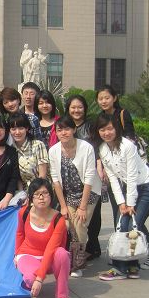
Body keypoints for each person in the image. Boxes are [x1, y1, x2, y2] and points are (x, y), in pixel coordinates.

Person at [95, 114, 149, 278]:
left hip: (147, 188)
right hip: (128, 190)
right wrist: (121, 203)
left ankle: (120, 268)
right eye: (102, 129)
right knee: (122, 224)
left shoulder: (127, 146)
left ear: (117, 128)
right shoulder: (102, 149)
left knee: (132, 225)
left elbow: (131, 177)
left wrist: (130, 203)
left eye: (109, 128)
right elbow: (112, 178)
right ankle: (131, 266)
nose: (106, 133)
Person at [49, 116, 102, 278]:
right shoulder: (54, 150)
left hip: (89, 192)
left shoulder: (86, 147)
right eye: (60, 130)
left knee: (79, 224)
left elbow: (90, 177)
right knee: (68, 224)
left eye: (67, 129)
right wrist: (63, 206)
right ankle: (70, 257)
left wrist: (83, 207)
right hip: (70, 194)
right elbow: (55, 180)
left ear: (73, 129)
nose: (63, 133)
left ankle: (78, 263)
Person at [15, 178, 70, 298]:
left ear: (51, 196)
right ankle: (29, 282)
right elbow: (19, 234)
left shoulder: (59, 219)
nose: (41, 197)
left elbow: (51, 248)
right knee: (30, 279)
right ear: (31, 197)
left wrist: (40, 279)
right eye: (37, 194)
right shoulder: (24, 212)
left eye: (45, 193)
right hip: (28, 254)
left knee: (62, 254)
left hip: (50, 256)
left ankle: (62, 295)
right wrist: (16, 255)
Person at [96, 85, 138, 228]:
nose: (104, 101)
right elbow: (100, 144)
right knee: (118, 206)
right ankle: (119, 236)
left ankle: (137, 238)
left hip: (126, 165)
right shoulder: (100, 117)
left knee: (133, 211)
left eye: (107, 98)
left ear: (114, 98)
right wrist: (104, 166)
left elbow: (131, 137)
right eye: (100, 99)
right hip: (111, 168)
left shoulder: (122, 114)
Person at [66, 94, 102, 260]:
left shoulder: (91, 126)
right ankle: (79, 249)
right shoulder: (65, 126)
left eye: (80, 107)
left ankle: (92, 248)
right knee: (76, 219)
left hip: (90, 174)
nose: (76, 110)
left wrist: (99, 164)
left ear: (85, 109)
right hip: (71, 178)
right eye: (73, 107)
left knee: (93, 215)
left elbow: (98, 146)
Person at [8, 113, 48, 191]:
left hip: (42, 189)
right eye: (13, 129)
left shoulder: (38, 145)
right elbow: (17, 178)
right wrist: (22, 194)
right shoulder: (11, 150)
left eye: (21, 128)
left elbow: (42, 176)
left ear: (27, 128)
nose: (17, 132)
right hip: (25, 191)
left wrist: (34, 193)